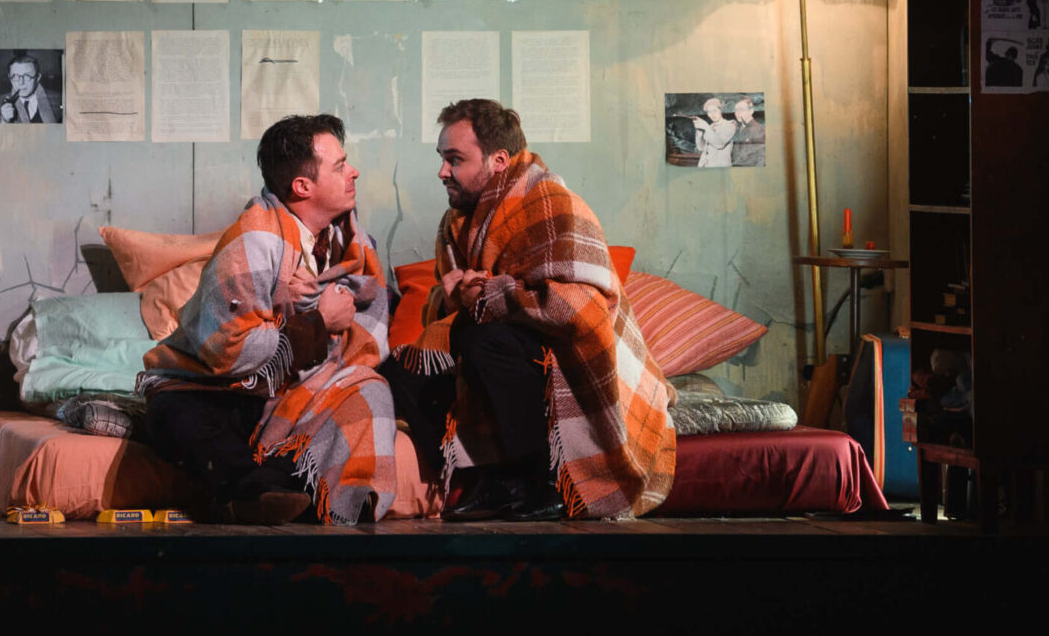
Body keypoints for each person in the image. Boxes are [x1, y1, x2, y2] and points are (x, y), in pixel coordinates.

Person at [385, 99, 675, 521]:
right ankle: (490, 476)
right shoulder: (457, 222)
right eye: (442, 159)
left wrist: (490, 294)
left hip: (566, 350)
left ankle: (543, 480)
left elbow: (581, 308)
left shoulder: (551, 203)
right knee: (400, 370)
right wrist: (452, 299)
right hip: (507, 344)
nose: (442, 171)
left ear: (499, 160)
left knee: (482, 340)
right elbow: (448, 312)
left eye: (455, 159)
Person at [138, 114, 396, 525]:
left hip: (293, 387)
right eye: (340, 166)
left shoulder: (352, 242)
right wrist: (317, 323)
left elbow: (367, 325)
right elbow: (227, 350)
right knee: (176, 415)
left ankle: (301, 491)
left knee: (370, 390)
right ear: (302, 187)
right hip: (218, 388)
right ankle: (253, 491)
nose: (354, 172)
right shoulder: (253, 239)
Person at [0, 52, 57, 123]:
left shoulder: (58, 101)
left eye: (27, 76)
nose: (21, 83)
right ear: (9, 78)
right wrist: (4, 120)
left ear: (38, 78)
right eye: (15, 76)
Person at [691, 96, 737, 167]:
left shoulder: (730, 124)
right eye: (709, 112)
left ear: (721, 110)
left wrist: (706, 127)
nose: (712, 114)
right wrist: (699, 134)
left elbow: (719, 144)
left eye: (715, 110)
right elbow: (701, 148)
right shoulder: (710, 126)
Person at [729, 96, 766, 167]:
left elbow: (761, 159)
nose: (738, 113)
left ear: (751, 111)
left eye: (741, 109)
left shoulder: (759, 129)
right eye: (736, 110)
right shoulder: (737, 129)